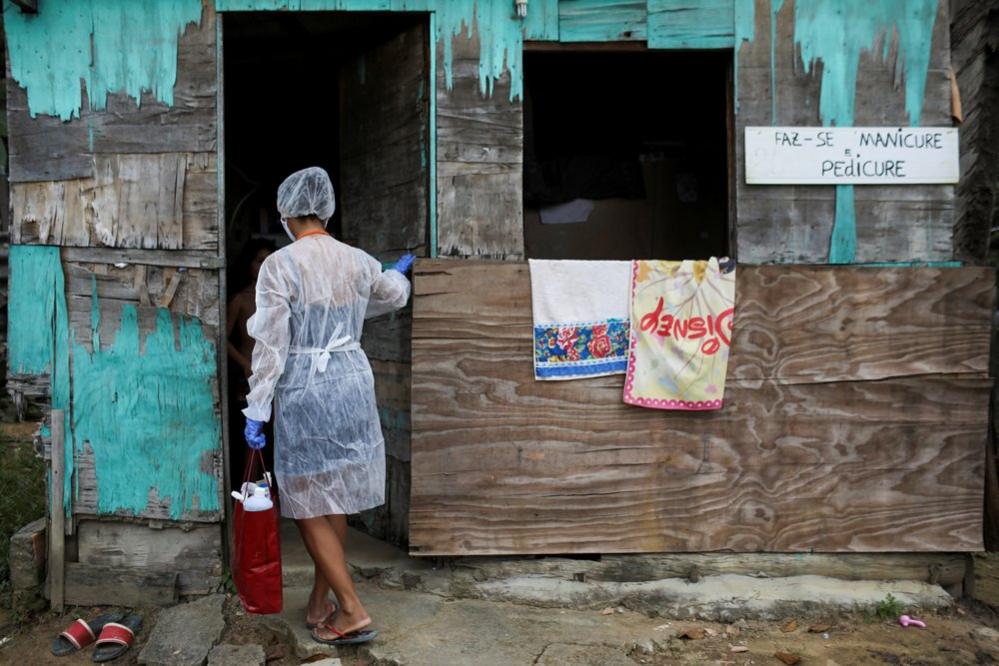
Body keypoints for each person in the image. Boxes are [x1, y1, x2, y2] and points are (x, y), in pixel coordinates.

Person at [242, 166, 413, 646]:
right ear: (326, 209)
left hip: (306, 386)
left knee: (306, 500)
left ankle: (353, 609)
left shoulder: (281, 264)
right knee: (332, 491)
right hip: (352, 381)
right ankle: (322, 603)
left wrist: (257, 409)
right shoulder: (357, 259)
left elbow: (271, 345)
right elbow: (390, 296)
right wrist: (396, 276)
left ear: (286, 214)